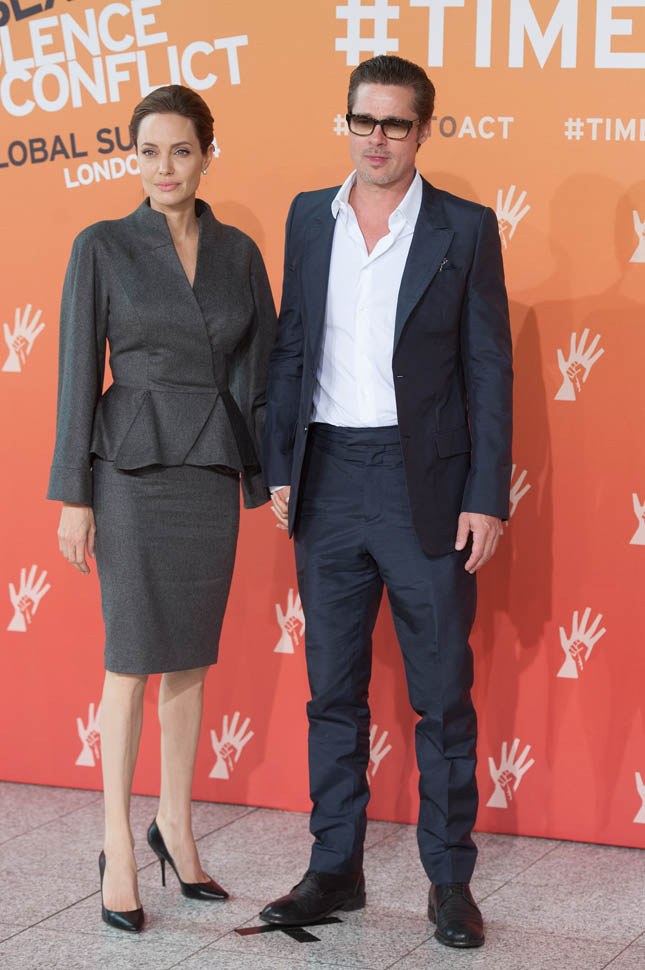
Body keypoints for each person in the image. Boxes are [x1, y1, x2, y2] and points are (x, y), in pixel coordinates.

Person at [260, 55, 512, 949]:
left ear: (422, 131)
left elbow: (488, 367)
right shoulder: (308, 215)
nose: (376, 139)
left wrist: (486, 494)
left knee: (441, 698)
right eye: (362, 121)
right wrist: (280, 465)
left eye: (394, 123)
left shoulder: (463, 228)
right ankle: (335, 869)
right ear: (348, 123)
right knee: (331, 692)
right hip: (326, 478)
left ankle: (448, 881)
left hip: (426, 488)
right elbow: (292, 345)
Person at [47, 85, 276, 932]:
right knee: (131, 659)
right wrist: (74, 494)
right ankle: (116, 840)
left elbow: (259, 373)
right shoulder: (102, 245)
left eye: (180, 150)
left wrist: (267, 477)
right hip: (131, 468)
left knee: (189, 662)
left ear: (207, 155)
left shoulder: (239, 252)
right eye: (148, 152)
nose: (164, 168)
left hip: (207, 467)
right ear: (133, 158)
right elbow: (77, 373)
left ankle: (175, 828)